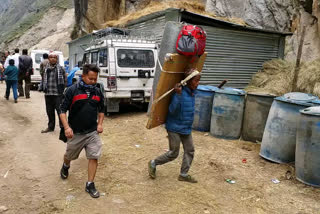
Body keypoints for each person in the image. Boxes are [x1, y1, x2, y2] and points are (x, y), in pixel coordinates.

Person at [59, 64, 105, 198]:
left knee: (94, 156)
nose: (93, 81)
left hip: (92, 132)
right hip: (76, 133)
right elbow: (62, 111)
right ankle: (66, 165)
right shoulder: (72, 90)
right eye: (91, 78)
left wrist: (100, 124)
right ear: (83, 76)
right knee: (70, 155)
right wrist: (67, 127)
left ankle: (90, 184)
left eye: (95, 79)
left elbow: (101, 110)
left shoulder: (97, 91)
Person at [148, 68, 201, 183]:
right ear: (188, 81)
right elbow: (172, 110)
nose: (198, 84)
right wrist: (178, 95)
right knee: (173, 153)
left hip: (185, 128)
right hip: (174, 127)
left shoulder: (192, 92)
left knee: (190, 150)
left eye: (199, 81)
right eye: (196, 81)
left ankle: (183, 174)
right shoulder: (179, 93)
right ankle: (153, 162)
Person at [41, 52, 67, 133]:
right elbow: (43, 79)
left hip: (58, 94)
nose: (52, 59)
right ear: (48, 59)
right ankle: (50, 127)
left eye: (54, 57)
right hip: (48, 94)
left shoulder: (61, 68)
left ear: (57, 59)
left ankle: (63, 128)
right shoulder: (45, 69)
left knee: (60, 111)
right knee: (49, 111)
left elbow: (65, 80)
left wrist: (63, 90)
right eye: (51, 57)